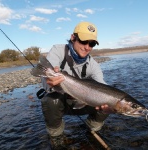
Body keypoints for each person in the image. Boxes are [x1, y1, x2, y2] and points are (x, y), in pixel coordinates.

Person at [39, 21, 109, 149]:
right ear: (73, 38)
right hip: (61, 101)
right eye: (83, 41)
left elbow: (103, 86)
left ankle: (91, 129)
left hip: (83, 102)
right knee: (49, 100)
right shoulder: (58, 50)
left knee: (108, 103)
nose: (87, 47)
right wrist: (49, 81)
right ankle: (56, 137)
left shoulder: (93, 65)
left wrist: (107, 101)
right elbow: (46, 77)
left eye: (92, 44)